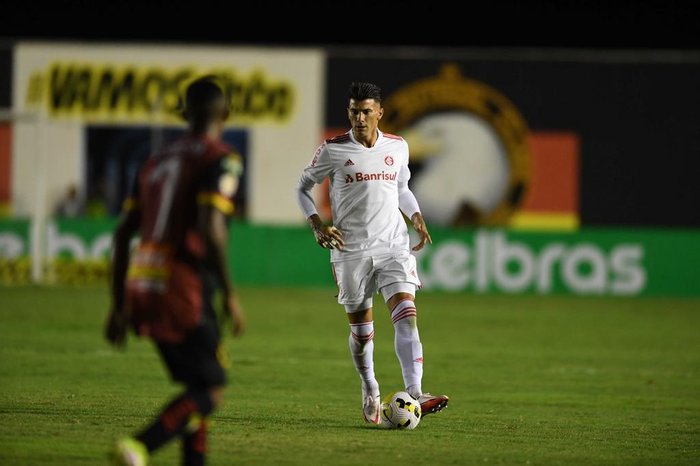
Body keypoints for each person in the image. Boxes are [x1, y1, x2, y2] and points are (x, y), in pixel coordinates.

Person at [104, 75, 245, 465]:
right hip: (185, 287)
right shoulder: (221, 158)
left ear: (183, 113)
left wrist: (118, 305)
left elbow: (121, 237)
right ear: (227, 113)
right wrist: (231, 293)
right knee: (211, 389)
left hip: (143, 283)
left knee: (195, 386)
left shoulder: (155, 160)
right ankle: (140, 446)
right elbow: (210, 227)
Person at [295, 81, 449, 425]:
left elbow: (402, 189)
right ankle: (370, 386)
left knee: (407, 314)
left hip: (392, 244)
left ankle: (415, 392)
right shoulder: (333, 150)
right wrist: (317, 224)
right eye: (354, 111)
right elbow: (302, 188)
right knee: (363, 335)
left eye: (366, 111)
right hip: (350, 251)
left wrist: (416, 216)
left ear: (379, 112)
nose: (359, 118)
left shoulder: (398, 146)